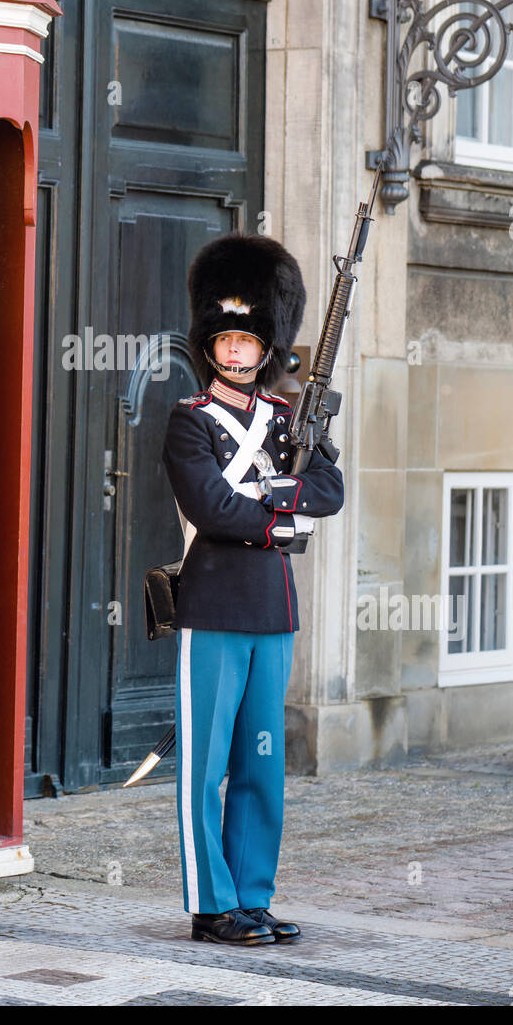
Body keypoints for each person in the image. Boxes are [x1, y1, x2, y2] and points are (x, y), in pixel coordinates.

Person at [161, 232, 345, 946]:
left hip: (272, 608)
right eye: (225, 340)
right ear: (208, 345)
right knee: (204, 768)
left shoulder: (285, 421)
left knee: (261, 766)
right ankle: (211, 906)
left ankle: (251, 896)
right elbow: (211, 507)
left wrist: (284, 488)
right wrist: (278, 519)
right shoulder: (189, 423)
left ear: (264, 348)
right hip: (211, 608)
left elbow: (327, 489)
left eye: (246, 341)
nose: (235, 352)